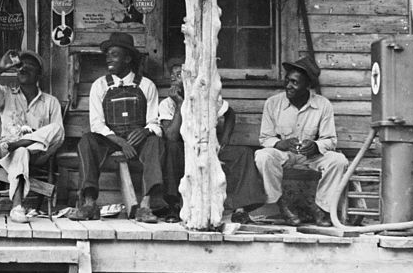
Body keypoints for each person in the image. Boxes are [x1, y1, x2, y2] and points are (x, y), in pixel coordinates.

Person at [158, 60, 266, 223]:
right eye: (172, 75)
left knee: (243, 153)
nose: (173, 78)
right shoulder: (167, 104)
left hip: (207, 146)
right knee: (171, 149)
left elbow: (229, 114)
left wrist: (224, 140)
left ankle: (241, 209)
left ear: (189, 78)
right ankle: (174, 207)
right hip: (183, 150)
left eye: (178, 75)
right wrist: (180, 103)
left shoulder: (205, 96)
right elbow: (171, 136)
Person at [72, 32, 164, 222]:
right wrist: (121, 142)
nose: (108, 59)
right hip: (110, 140)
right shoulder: (100, 85)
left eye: (114, 54)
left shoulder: (146, 85)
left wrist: (145, 131)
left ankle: (145, 206)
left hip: (137, 140)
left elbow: (154, 122)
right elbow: (97, 124)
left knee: (155, 142)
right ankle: (89, 203)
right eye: (107, 55)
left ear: (128, 58)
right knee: (87, 140)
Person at [0, 50, 65, 223]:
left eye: (30, 66)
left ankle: (17, 144)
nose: (23, 69)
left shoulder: (50, 101)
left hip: (39, 154)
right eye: (20, 66)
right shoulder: (5, 94)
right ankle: (17, 207)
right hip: (10, 154)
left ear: (39, 73)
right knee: (21, 151)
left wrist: (24, 142)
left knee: (56, 129)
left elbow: (58, 136)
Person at [255, 56, 347, 227]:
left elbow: (330, 139)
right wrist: (279, 144)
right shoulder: (272, 103)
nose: (288, 86)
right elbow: (265, 138)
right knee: (263, 156)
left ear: (307, 85)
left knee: (338, 161)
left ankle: (322, 209)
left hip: (311, 157)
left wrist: (316, 146)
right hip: (284, 155)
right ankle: (282, 205)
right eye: (287, 80)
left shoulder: (323, 105)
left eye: (295, 82)